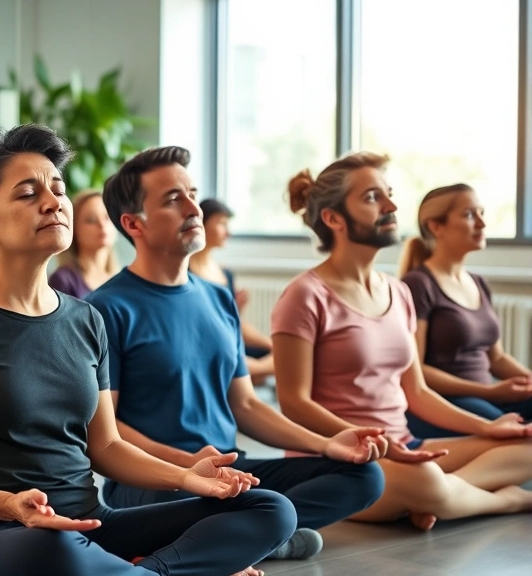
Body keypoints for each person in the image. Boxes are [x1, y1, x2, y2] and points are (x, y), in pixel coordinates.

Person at [0, 124, 298, 576]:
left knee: (269, 509)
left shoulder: (85, 319)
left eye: (58, 189)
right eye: (28, 194)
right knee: (54, 551)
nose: (54, 202)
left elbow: (106, 445)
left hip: (94, 523)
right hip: (4, 534)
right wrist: (10, 504)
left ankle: (146, 571)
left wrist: (187, 477)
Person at [87, 146, 386, 561]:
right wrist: (186, 466)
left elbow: (245, 405)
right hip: (157, 480)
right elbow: (108, 430)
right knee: (223, 502)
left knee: (362, 475)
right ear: (133, 223)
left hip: (229, 473)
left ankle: (248, 536)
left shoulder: (218, 299)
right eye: (174, 199)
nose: (194, 208)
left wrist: (328, 444)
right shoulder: (105, 309)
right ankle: (255, 534)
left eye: (193, 193)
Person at [272, 152, 532, 531]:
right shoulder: (303, 295)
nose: (392, 206)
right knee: (424, 478)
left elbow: (419, 393)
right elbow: (294, 403)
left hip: (407, 446)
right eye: (372, 197)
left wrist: (487, 428)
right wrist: (368, 443)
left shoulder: (398, 292)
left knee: (525, 446)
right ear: (333, 219)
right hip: (345, 461)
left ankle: (432, 501)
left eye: (389, 194)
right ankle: (509, 499)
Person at [397, 184, 532, 438]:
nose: (481, 223)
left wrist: (526, 379)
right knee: (516, 434)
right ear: (436, 226)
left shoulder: (479, 283)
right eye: (470, 214)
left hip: (487, 395)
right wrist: (490, 392)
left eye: (481, 213)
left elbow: (497, 359)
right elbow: (417, 370)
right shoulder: (418, 284)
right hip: (446, 402)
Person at [188, 199, 274, 382]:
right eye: (221, 224)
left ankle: (253, 371)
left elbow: (234, 322)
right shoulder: (185, 272)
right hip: (206, 343)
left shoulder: (225, 273)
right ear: (201, 224)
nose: (228, 232)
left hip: (228, 336)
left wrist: (271, 344)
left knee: (271, 352)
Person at [48, 189, 119, 299]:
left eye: (107, 217)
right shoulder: (63, 280)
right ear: (74, 228)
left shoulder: (120, 280)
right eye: (91, 220)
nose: (102, 224)